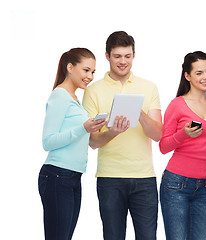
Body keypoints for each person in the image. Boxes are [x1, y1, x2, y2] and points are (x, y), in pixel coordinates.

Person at [82, 31, 162, 240]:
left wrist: (140, 113)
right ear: (107, 56)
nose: (123, 61)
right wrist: (112, 133)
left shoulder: (149, 87)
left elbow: (157, 134)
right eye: (117, 56)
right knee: (113, 236)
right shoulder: (93, 91)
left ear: (134, 55)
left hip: (144, 178)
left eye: (127, 56)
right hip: (110, 178)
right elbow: (92, 141)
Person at [39, 48, 106, 240]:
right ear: (70, 67)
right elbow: (48, 141)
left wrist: (95, 127)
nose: (90, 76)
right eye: (86, 70)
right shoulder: (60, 95)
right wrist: (84, 128)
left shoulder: (75, 99)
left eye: (93, 72)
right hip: (57, 176)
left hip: (72, 177)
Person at [159, 51, 206, 240]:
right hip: (175, 185)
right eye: (199, 73)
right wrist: (183, 134)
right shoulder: (177, 105)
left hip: (205, 187)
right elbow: (163, 146)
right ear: (187, 76)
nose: (205, 77)